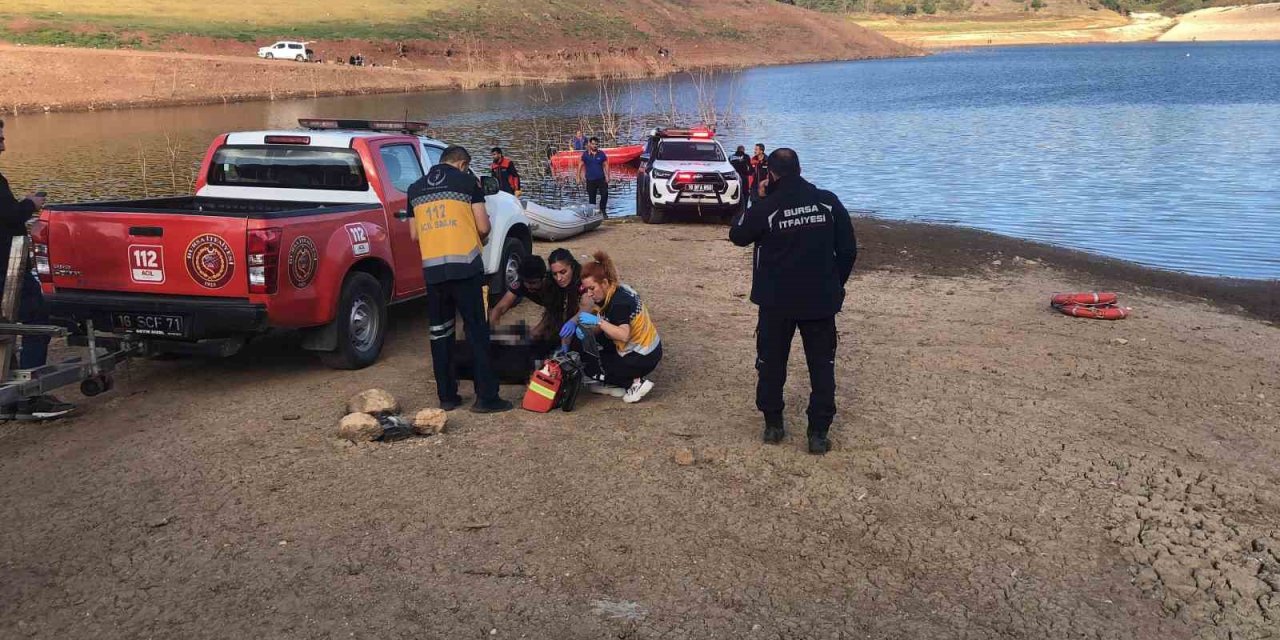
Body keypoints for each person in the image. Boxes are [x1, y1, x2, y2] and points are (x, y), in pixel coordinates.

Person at [729, 148, 856, 455]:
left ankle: (773, 425)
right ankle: (818, 433)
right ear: (800, 169)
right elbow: (849, 250)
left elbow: (738, 233)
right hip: (819, 301)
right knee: (821, 367)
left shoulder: (768, 205)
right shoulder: (828, 201)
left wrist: (757, 199)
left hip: (777, 302)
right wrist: (834, 285)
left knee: (772, 364)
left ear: (770, 174)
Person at [406, 145, 512, 413]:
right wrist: (481, 238)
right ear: (463, 164)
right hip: (465, 268)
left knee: (440, 333)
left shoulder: (415, 189)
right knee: (476, 331)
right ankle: (486, 397)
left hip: (434, 272)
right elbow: (483, 226)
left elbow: (414, 236)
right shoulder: (467, 183)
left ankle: (447, 396)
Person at [0, 119, 74, 421]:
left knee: (5, 330)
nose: (4, 143)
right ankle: (30, 395)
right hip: (6, 271)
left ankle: (8, 395)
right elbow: (9, 215)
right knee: (35, 321)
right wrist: (31, 203)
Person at [579, 250, 661, 404]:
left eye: (592, 288)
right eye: (586, 289)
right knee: (597, 342)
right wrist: (588, 330)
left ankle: (633, 383)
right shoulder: (616, 290)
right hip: (650, 347)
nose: (589, 294)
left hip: (642, 355)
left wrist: (598, 322)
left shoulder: (618, 303)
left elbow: (623, 335)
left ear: (604, 283)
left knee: (595, 367)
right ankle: (625, 378)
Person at [488, 254, 550, 333]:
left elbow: (553, 314)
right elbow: (499, 308)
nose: (528, 286)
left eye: (533, 283)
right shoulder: (521, 283)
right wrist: (493, 332)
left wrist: (535, 332)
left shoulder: (553, 284)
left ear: (543, 278)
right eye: (526, 282)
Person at [577, 137, 609, 218]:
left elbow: (606, 165)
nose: (595, 146)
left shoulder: (601, 154)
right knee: (592, 198)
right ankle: (593, 215)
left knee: (605, 194)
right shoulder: (585, 155)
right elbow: (580, 165)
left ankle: (603, 211)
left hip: (601, 178)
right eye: (593, 144)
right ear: (590, 144)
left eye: (596, 144)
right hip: (590, 180)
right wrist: (578, 176)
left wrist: (608, 176)